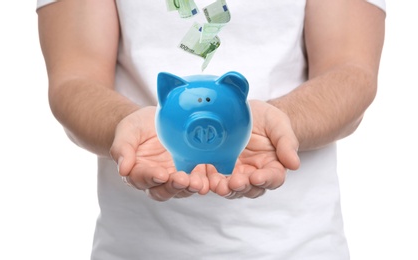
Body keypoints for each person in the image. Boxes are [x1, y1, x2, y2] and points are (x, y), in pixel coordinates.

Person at [37, 0, 385, 259]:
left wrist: (276, 123)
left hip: (299, 246)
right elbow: (74, 78)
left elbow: (351, 69)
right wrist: (129, 128)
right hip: (133, 247)